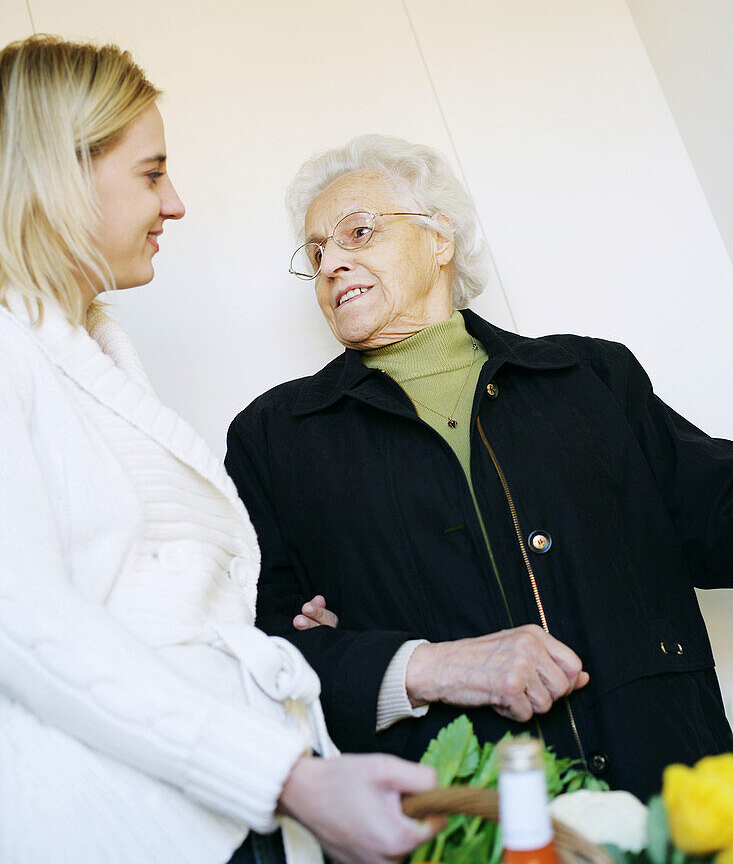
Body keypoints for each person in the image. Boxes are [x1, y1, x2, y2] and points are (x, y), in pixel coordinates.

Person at [0, 40, 438, 864]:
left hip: (198, 833)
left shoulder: (88, 351)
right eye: (151, 172)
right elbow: (30, 628)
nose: (174, 202)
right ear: (55, 173)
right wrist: (293, 778)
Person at [225, 133, 733, 804]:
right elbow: (264, 652)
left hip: (672, 793)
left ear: (440, 239)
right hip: (456, 823)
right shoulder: (275, 436)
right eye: (316, 252)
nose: (329, 265)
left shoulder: (588, 375)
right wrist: (387, 665)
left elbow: (714, 520)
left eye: (357, 233)